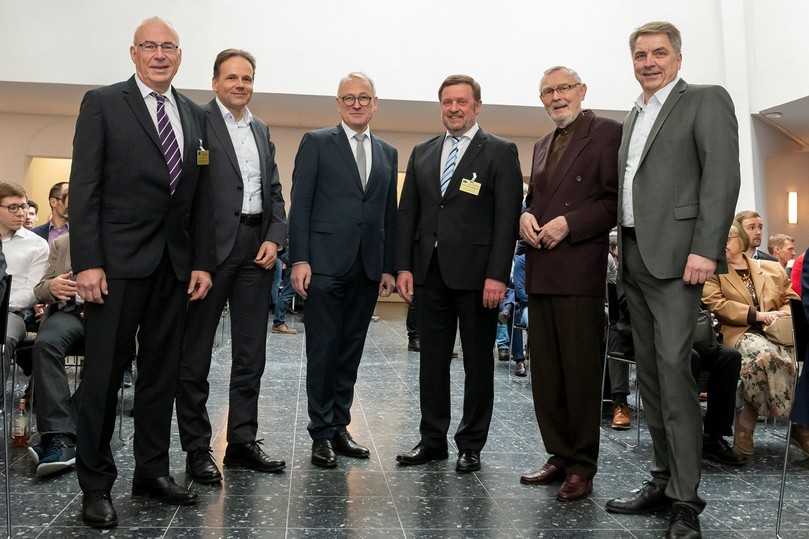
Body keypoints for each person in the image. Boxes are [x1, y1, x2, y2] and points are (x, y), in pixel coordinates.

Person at [69, 17, 214, 528]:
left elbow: (199, 198)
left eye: (168, 47)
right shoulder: (103, 103)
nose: (159, 54)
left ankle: (152, 472)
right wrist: (87, 262)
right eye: (149, 46)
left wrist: (201, 261)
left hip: (174, 268)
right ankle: (95, 485)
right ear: (133, 53)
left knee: (161, 377)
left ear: (180, 55)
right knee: (103, 378)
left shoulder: (195, 114)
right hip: (115, 267)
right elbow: (84, 187)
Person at [605, 21, 740, 539]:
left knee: (675, 374)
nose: (649, 62)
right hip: (634, 257)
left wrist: (707, 248)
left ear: (678, 58)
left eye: (659, 53)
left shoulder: (705, 99)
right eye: (640, 55)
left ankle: (686, 498)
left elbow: (722, 177)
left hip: (680, 260)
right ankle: (662, 479)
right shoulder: (634, 113)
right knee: (650, 377)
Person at [395, 74, 523, 473]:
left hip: (479, 279)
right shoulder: (422, 152)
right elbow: (408, 214)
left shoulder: (500, 151)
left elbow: (506, 219)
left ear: (477, 106)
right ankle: (432, 440)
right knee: (431, 362)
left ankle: (471, 444)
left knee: (478, 364)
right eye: (447, 102)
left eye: (461, 102)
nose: (453, 108)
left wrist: (498, 275)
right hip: (429, 275)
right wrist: (404, 266)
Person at [178, 48, 287, 484]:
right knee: (196, 355)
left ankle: (241, 441)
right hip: (209, 253)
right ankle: (197, 448)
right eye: (232, 77)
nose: (240, 85)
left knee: (250, 353)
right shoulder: (196, 122)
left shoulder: (261, 129)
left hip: (255, 250)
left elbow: (274, 191)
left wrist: (274, 237)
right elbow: (186, 192)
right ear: (215, 82)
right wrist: (195, 257)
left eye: (247, 78)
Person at [518, 66, 619, 501]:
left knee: (579, 373)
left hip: (578, 270)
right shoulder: (541, 145)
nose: (556, 96)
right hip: (542, 270)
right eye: (548, 91)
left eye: (563, 88)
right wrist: (524, 215)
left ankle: (582, 464)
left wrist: (570, 224)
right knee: (547, 374)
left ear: (582, 90)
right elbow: (535, 198)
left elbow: (614, 201)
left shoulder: (607, 133)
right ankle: (558, 453)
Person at [289, 72, 398, 468]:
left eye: (363, 97)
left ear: (375, 104)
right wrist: (299, 259)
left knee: (350, 352)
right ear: (338, 103)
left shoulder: (387, 153)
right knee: (323, 351)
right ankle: (320, 433)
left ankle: (339, 426)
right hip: (324, 266)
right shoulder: (317, 143)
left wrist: (389, 267)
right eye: (348, 97)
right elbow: (300, 204)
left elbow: (388, 214)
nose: (356, 103)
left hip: (366, 269)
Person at [702, 223, 802, 458]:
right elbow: (717, 304)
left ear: (742, 240)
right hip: (738, 331)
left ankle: (746, 422)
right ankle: (796, 423)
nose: (722, 242)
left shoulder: (771, 268)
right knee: (766, 357)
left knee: (773, 362)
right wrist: (758, 315)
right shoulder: (713, 271)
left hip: (777, 332)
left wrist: (780, 315)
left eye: (728, 237)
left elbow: (791, 299)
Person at [30, 231, 83, 477]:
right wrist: (52, 286)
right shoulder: (63, 243)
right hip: (68, 313)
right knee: (46, 343)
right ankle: (60, 436)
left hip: (108, 316)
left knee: (109, 355)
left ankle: (58, 433)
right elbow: (40, 289)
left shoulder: (121, 237)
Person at [0, 183, 49, 363]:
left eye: (24, 206)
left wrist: (3, 305)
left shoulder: (37, 245)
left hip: (11, 314)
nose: (21, 213)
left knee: (2, 339)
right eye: (13, 207)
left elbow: (32, 292)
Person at [271, 251, 297, 334]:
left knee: (285, 293)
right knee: (286, 294)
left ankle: (278, 322)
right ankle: (278, 323)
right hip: (294, 265)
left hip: (292, 264)